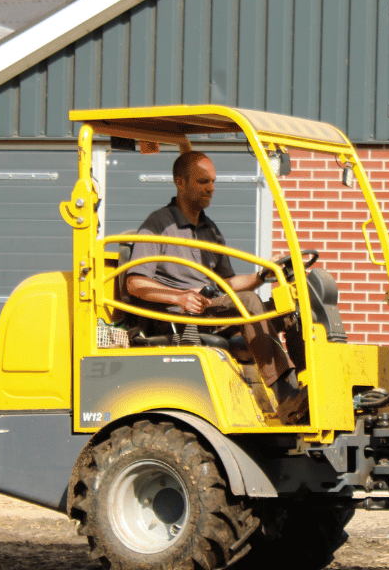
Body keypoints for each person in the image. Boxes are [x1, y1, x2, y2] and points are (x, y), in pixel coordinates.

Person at [125, 150, 306, 424]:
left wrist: (261, 275)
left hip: (213, 310)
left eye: (213, 181)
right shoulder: (158, 225)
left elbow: (227, 284)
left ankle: (306, 387)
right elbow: (134, 283)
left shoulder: (210, 230)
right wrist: (181, 297)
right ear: (180, 183)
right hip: (181, 317)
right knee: (249, 302)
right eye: (203, 182)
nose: (211, 188)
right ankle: (285, 396)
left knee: (290, 309)